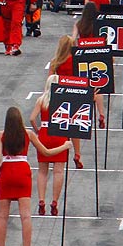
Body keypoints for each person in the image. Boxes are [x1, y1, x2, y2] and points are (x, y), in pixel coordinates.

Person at [0, 106, 58, 246]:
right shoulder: (28, 134)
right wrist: (65, 147)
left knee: (2, 217)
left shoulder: (1, 135)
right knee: (26, 217)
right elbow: (46, 152)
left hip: (7, 171)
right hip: (22, 171)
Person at [30, 63, 81, 217]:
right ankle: (55, 201)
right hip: (59, 132)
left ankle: (41, 199)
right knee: (58, 171)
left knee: (42, 170)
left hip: (45, 133)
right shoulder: (65, 99)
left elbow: (32, 118)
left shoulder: (41, 100)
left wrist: (39, 130)